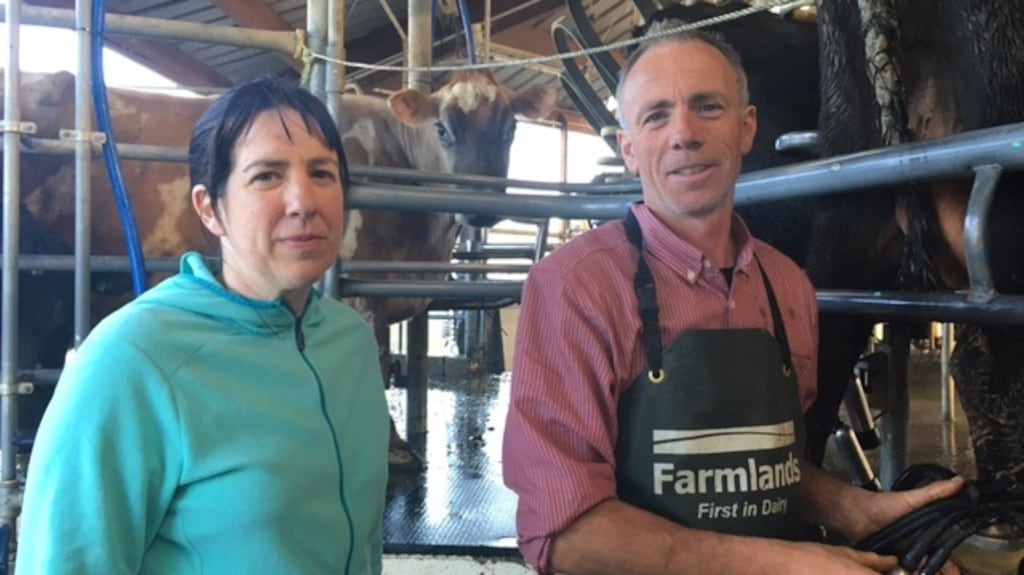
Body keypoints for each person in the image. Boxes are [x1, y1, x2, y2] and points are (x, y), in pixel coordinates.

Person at [502, 26, 964, 575]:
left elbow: (764, 459)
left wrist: (855, 510)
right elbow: (566, 533)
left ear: (747, 129)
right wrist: (786, 565)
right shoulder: (573, 288)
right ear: (628, 149)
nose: (684, 134)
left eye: (708, 107)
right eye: (656, 116)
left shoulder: (788, 286)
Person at [16, 78, 389, 574]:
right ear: (209, 208)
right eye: (267, 176)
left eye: (322, 173)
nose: (304, 201)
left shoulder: (351, 342)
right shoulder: (134, 359)